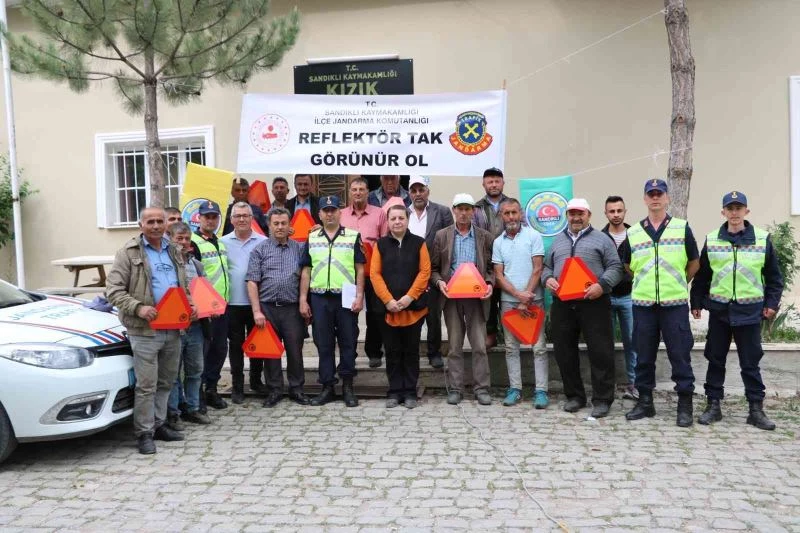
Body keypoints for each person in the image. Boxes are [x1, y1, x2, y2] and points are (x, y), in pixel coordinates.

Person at [690, 191, 783, 430]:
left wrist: (771, 304)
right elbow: (702, 276)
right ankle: (713, 406)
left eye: (738, 208)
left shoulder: (762, 239)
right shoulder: (712, 239)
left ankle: (755, 409)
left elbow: (774, 277)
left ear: (746, 211)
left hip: (750, 312)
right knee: (715, 360)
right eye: (729, 208)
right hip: (720, 312)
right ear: (723, 212)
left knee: (750, 362)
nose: (734, 213)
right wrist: (696, 302)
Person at [106, 207, 192, 454]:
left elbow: (182, 285)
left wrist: (190, 305)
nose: (155, 225)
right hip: (144, 329)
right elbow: (113, 290)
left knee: (167, 381)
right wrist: (138, 308)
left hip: (173, 327)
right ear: (141, 224)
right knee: (147, 384)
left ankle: (159, 424)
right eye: (150, 221)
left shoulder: (173, 249)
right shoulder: (128, 252)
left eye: (159, 221)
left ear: (166, 223)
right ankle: (144, 433)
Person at [625, 179, 700, 427]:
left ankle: (685, 406)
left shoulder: (681, 228)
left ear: (667, 198)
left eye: (660, 193)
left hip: (674, 305)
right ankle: (645, 403)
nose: (655, 197)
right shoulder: (633, 232)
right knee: (644, 356)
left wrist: (680, 282)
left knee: (680, 355)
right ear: (645, 199)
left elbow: (694, 262)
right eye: (651, 194)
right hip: (644, 305)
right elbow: (627, 265)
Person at [542, 198, 623, 417]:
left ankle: (602, 399)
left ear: (589, 215)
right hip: (563, 304)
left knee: (601, 351)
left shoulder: (602, 239)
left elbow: (616, 267)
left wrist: (602, 285)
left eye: (581, 213)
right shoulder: (557, 241)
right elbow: (547, 267)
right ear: (566, 216)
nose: (576, 217)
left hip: (594, 302)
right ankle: (575, 396)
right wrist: (547, 278)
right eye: (572, 213)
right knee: (564, 351)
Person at [300, 195, 366, 407]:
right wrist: (303, 299)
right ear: (319, 214)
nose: (329, 213)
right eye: (325, 210)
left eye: (333, 210)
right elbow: (306, 271)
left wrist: (359, 296)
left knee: (348, 341)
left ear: (340, 212)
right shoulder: (312, 238)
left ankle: (348, 386)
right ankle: (327, 386)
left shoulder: (353, 236)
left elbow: (360, 269)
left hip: (345, 297)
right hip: (319, 298)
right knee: (323, 344)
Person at [430, 193, 495, 406]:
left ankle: (482, 388)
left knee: (479, 345)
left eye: (468, 209)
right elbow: (434, 269)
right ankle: (456, 389)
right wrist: (440, 283)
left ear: (473, 211)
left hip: (476, 297)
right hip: (452, 297)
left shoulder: (485, 236)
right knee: (455, 345)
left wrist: (489, 284)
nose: (464, 213)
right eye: (460, 209)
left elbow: (491, 268)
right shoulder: (442, 236)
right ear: (454, 211)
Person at [246, 207, 312, 407]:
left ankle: (296, 389)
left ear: (290, 224)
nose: (280, 227)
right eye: (276, 223)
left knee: (295, 350)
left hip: (292, 308)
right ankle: (275, 390)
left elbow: (305, 275)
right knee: (271, 353)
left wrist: (302, 299)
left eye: (284, 223)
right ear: (269, 225)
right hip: (267, 309)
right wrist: (256, 311)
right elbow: (252, 281)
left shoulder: (299, 248)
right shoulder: (259, 250)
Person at [371, 204, 431, 409]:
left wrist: (409, 297)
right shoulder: (380, 245)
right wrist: (388, 300)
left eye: (401, 218)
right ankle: (394, 391)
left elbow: (424, 272)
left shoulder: (419, 243)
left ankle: (410, 392)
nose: (397, 222)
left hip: (413, 308)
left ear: (408, 220)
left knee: (411, 350)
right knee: (393, 350)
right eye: (393, 218)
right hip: (388, 309)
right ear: (387, 222)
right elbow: (374, 274)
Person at [492, 198, 549, 409]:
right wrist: (517, 295)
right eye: (506, 213)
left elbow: (538, 269)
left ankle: (541, 391)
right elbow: (498, 275)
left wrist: (527, 296)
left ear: (521, 213)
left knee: (539, 347)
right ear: (501, 216)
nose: (511, 217)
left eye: (514, 212)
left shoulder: (534, 236)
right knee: (510, 347)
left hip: (535, 301)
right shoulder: (498, 242)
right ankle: (515, 389)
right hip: (509, 303)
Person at [165, 221, 211, 427]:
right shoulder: (166, 264)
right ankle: (174, 412)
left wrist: (210, 307)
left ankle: (192, 408)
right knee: (174, 372)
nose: (184, 243)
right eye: (179, 239)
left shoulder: (196, 264)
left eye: (186, 239)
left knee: (195, 370)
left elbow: (205, 292)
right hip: (174, 326)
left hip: (196, 326)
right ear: (170, 240)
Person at [340, 176, 388, 368]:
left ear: (368, 192)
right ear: (350, 193)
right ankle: (349, 352)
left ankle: (374, 351)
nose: (358, 193)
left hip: (373, 271)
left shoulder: (379, 214)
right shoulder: (341, 214)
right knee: (348, 314)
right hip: (348, 273)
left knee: (376, 313)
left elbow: (385, 242)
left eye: (361, 189)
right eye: (354, 190)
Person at [221, 202, 267, 404]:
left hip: (257, 304)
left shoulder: (264, 242)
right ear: (231, 220)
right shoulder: (221, 242)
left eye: (245, 216)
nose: (241, 219)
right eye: (237, 216)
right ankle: (237, 386)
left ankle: (256, 381)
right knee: (236, 347)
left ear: (251, 219)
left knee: (257, 344)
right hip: (232, 304)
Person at [407, 175, 453, 369]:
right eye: (414, 190)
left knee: (433, 315)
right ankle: (411, 352)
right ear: (409, 192)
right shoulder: (401, 211)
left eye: (421, 189)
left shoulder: (441, 211)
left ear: (428, 191)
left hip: (433, 272)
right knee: (410, 313)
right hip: (408, 272)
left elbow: (450, 239)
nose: (418, 194)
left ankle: (434, 352)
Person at [191, 200, 230, 411]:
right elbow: (195, 279)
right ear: (199, 218)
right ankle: (198, 396)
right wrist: (205, 305)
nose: (211, 220)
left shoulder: (219, 241)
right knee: (202, 354)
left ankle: (212, 389)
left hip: (222, 307)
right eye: (207, 216)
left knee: (219, 350)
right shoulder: (194, 243)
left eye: (214, 216)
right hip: (206, 309)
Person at [602, 195, 638, 400]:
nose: (616, 215)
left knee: (632, 341)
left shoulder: (636, 235)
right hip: (605, 296)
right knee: (605, 343)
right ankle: (607, 387)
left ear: (625, 212)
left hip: (629, 296)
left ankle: (634, 384)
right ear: (605, 213)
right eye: (611, 211)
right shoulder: (599, 236)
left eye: (619, 211)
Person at [474, 167, 509, 349]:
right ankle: (491, 334)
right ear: (484, 184)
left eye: (497, 181)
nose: (494, 184)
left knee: (509, 299)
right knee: (488, 301)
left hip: (509, 264)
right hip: (486, 263)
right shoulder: (477, 208)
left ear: (503, 183)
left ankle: (511, 335)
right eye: (490, 181)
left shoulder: (512, 205)